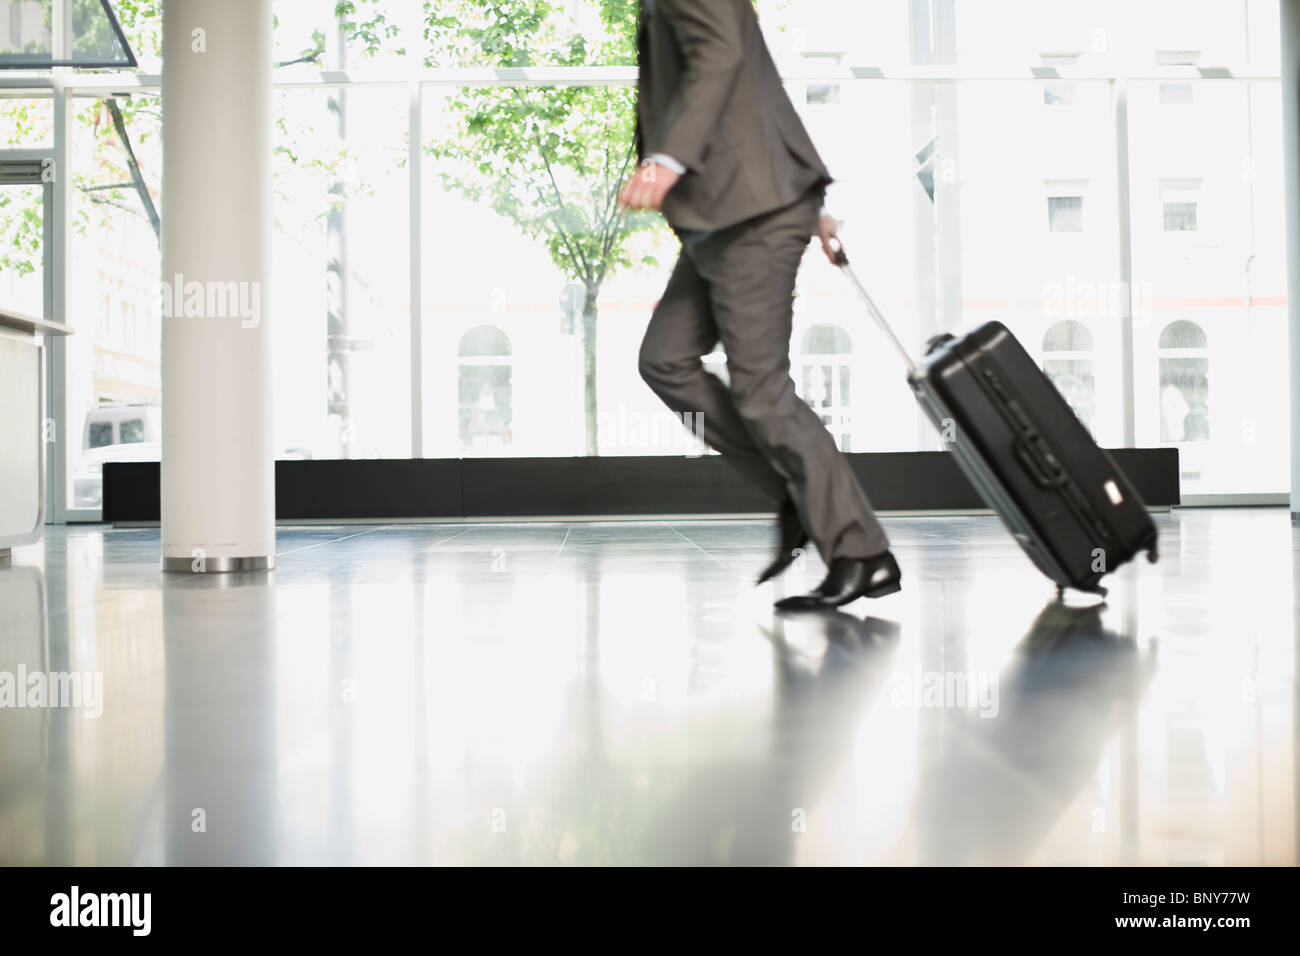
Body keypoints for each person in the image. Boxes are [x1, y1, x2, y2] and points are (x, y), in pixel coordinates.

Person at [618, 0, 900, 609]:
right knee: (665, 358)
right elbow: (749, 86)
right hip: (727, 212)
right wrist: (812, 204)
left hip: (752, 214)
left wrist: (666, 162)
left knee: (761, 391)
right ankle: (800, 492)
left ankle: (861, 552)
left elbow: (722, 53)